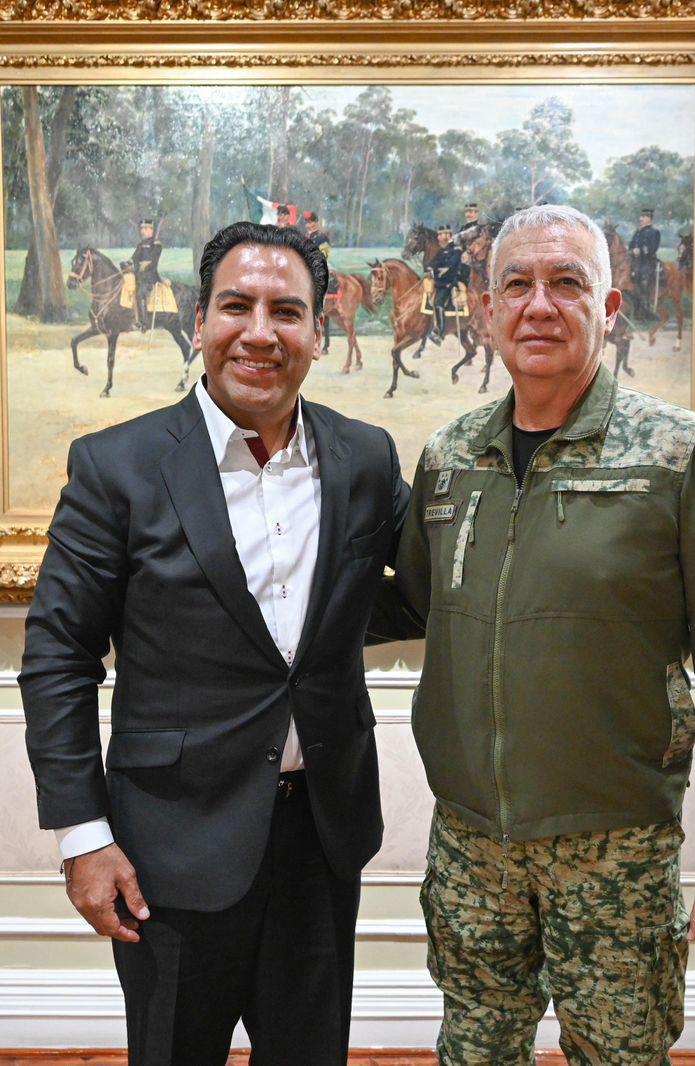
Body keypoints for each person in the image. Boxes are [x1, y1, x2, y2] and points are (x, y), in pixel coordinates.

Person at [374, 204, 695, 1064]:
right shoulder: (451, 457)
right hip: (471, 846)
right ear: (488, 310)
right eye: (517, 285)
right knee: (473, 1052)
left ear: (608, 308)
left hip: (616, 851)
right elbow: (417, 603)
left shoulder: (678, 454)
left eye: (566, 282)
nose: (540, 305)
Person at [20, 220, 409, 1066]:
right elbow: (57, 657)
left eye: (287, 311)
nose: (260, 332)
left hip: (322, 839)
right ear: (199, 321)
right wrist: (83, 836)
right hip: (169, 846)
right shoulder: (117, 466)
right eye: (237, 306)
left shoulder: (366, 459)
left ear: (317, 330)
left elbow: (414, 592)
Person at [427, 224, 470, 345]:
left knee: (438, 302)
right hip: (440, 281)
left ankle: (439, 332)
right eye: (439, 235)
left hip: (450, 282)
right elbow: (435, 264)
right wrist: (432, 269)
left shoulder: (455, 249)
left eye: (442, 234)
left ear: (449, 235)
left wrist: (441, 270)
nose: (439, 237)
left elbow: (453, 266)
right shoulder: (442, 251)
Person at [305, 210, 340, 354]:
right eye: (307, 222)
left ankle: (321, 307)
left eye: (311, 222)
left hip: (319, 266)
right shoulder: (307, 236)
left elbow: (324, 254)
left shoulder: (322, 236)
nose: (308, 224)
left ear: (316, 222)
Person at [129, 218, 162, 331]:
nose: (142, 231)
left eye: (145, 229)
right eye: (141, 229)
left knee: (140, 294)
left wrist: (140, 265)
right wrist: (129, 265)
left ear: (151, 230)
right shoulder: (140, 245)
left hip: (149, 277)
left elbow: (152, 263)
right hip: (138, 275)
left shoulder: (156, 245)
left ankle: (144, 323)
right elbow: (134, 259)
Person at [628, 206, 661, 319]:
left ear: (649, 218)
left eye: (643, 217)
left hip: (647, 261)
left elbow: (652, 248)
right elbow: (631, 245)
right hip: (636, 261)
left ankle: (646, 309)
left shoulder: (654, 232)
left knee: (644, 281)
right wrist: (632, 250)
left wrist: (640, 251)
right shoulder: (638, 232)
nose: (640, 219)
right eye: (641, 216)